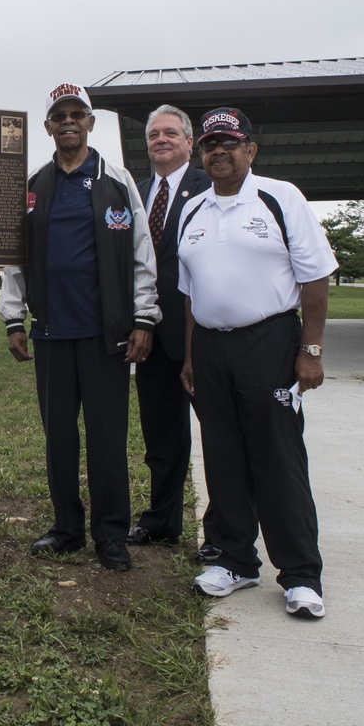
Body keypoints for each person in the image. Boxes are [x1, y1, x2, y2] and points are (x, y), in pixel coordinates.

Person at [178, 108, 335, 618]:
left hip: (268, 342)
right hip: (210, 348)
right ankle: (234, 561)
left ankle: (300, 574)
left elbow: (315, 279)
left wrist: (309, 350)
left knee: (277, 457)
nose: (217, 150)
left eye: (228, 141)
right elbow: (188, 293)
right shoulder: (193, 209)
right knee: (221, 456)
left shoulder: (279, 197)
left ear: (250, 149)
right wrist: (189, 355)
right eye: (209, 143)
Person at [0, 82, 160, 572]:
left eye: (77, 115)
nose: (68, 122)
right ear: (48, 126)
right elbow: (15, 259)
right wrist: (14, 318)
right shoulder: (34, 185)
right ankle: (66, 528)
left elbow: (141, 254)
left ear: (91, 122)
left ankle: (111, 534)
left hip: (105, 336)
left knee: (108, 439)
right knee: (60, 440)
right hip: (51, 333)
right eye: (59, 116)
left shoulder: (117, 180)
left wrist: (143, 317)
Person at [127, 106, 212, 553]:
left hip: (202, 336)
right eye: (154, 134)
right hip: (151, 338)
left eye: (171, 133)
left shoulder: (211, 187)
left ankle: (223, 531)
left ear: (188, 141)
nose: (161, 139)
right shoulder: (134, 192)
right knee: (161, 435)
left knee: (218, 437)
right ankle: (161, 521)